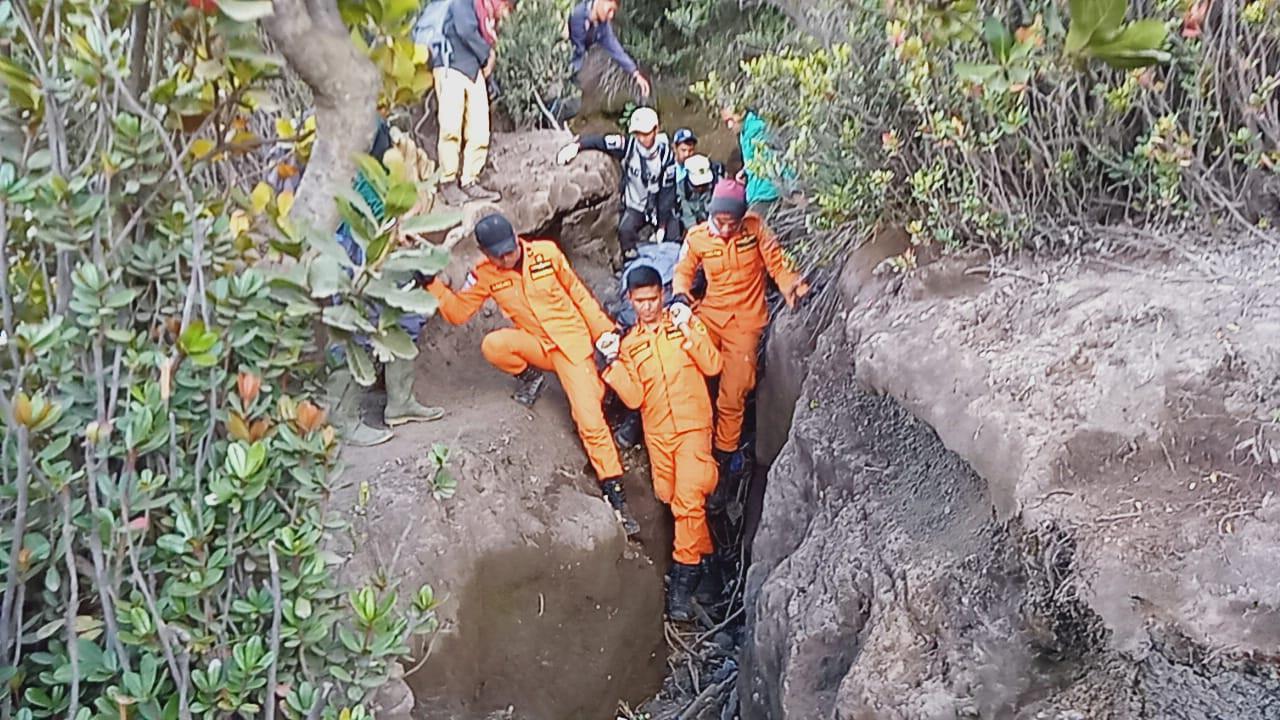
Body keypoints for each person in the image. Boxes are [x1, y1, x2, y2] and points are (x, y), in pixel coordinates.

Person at [422, 213, 639, 533]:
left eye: (509, 250)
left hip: (573, 348)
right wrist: (431, 284)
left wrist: (604, 334)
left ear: (516, 238)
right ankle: (530, 377)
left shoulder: (547, 254)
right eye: (498, 254)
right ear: (485, 253)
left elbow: (578, 294)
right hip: (538, 345)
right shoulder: (484, 275)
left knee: (590, 422)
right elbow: (457, 313)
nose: (507, 257)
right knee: (493, 345)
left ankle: (615, 495)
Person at [597, 266, 722, 621]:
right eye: (641, 301)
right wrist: (612, 363)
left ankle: (682, 588)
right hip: (659, 436)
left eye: (653, 299)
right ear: (630, 301)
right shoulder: (631, 345)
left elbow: (713, 365)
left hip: (694, 429)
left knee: (686, 501)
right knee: (672, 499)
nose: (649, 307)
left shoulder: (684, 323)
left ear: (662, 295)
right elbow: (634, 398)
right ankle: (710, 573)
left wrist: (687, 326)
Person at [672, 179, 809, 473]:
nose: (725, 229)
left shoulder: (755, 228)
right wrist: (680, 298)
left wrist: (789, 283)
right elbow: (683, 270)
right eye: (720, 222)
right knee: (678, 355)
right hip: (710, 314)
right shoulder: (697, 237)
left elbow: (777, 262)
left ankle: (724, 455)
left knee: (734, 391)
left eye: (731, 223)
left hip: (745, 322)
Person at [325, 119, 445, 447]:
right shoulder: (350, 167)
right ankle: (342, 420)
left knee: (404, 317)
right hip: (356, 249)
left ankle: (400, 403)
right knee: (353, 329)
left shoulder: (377, 152)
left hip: (383, 246)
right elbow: (366, 215)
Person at [556, 107, 679, 263]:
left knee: (672, 234)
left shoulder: (666, 156)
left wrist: (661, 226)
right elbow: (601, 142)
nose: (642, 139)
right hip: (635, 205)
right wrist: (576, 146)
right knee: (625, 230)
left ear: (656, 130)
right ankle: (630, 262)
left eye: (646, 133)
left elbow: (667, 194)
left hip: (657, 206)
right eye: (638, 134)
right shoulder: (628, 146)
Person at [430, 0, 517, 206]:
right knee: (451, 127)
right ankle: (448, 181)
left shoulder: (484, 10)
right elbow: (465, 29)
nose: (504, 16)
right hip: (450, 63)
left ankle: (470, 179)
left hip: (472, 67)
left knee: (479, 128)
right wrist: (488, 54)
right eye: (507, 9)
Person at [569, 0, 650, 98]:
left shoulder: (602, 26)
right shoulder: (577, 14)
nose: (611, 15)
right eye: (610, 9)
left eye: (613, 12)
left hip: (572, 69)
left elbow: (616, 49)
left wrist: (635, 73)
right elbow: (577, 51)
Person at [720, 104, 789, 214]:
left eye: (730, 120)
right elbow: (755, 159)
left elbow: (773, 159)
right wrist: (745, 170)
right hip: (758, 191)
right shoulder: (743, 133)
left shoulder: (758, 129)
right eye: (726, 122)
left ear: (740, 114)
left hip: (766, 193)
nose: (729, 126)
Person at [676, 154, 723, 238]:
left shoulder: (717, 185)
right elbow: (687, 217)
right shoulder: (681, 190)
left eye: (704, 184)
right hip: (694, 230)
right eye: (697, 185)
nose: (701, 188)